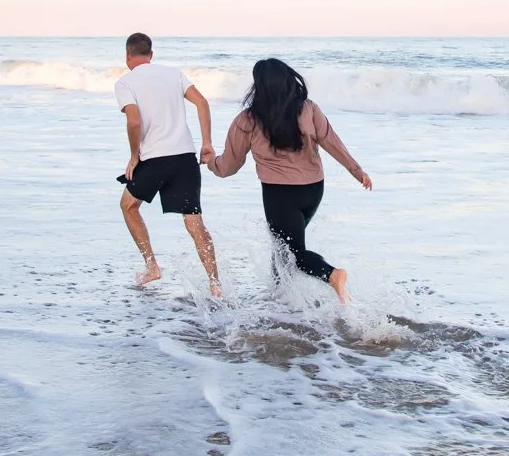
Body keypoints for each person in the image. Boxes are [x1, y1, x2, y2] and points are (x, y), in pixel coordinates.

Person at [205, 58, 371, 304]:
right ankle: (282, 300)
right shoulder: (309, 109)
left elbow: (229, 166)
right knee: (284, 246)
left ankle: (332, 275)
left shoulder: (247, 120)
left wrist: (211, 162)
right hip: (313, 190)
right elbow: (332, 143)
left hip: (279, 194)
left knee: (292, 252)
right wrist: (358, 172)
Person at [114, 33, 221, 297]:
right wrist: (206, 143)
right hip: (185, 158)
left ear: (128, 56)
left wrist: (133, 155)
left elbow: (134, 122)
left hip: (155, 159)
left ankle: (152, 266)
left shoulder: (125, 83)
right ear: (151, 54)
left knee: (128, 205)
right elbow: (202, 102)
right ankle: (215, 285)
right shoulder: (174, 74)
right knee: (195, 224)